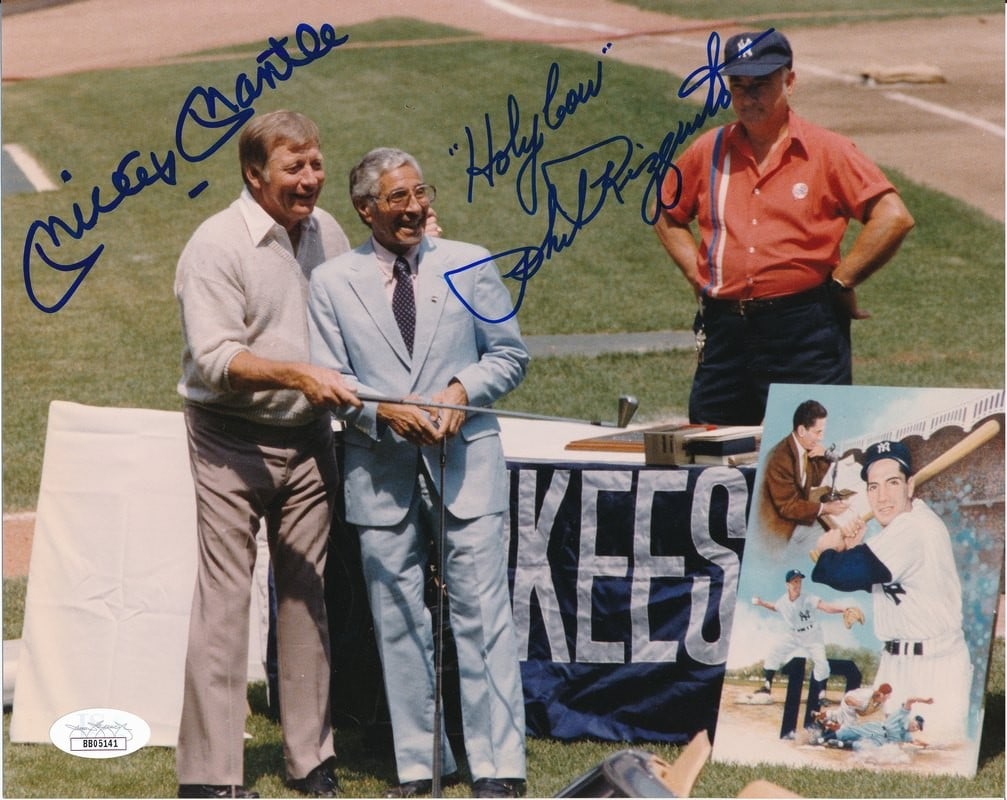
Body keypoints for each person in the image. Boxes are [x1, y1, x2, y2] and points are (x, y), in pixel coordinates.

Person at [307, 147, 529, 799]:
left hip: (468, 467)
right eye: (397, 199)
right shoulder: (332, 283)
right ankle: (421, 764)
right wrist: (383, 410)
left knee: (481, 612)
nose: (413, 209)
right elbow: (331, 378)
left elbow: (510, 354)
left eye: (419, 193)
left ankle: (497, 766)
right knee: (397, 616)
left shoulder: (468, 262)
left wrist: (462, 389)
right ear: (364, 209)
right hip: (378, 472)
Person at [173, 110, 362, 799]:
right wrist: (298, 373)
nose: (310, 179)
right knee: (224, 602)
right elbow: (217, 358)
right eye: (294, 167)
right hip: (229, 437)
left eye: (314, 164)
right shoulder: (215, 246)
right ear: (255, 176)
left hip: (308, 438)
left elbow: (354, 310)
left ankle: (310, 760)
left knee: (307, 597)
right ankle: (209, 778)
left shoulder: (328, 232)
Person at [654, 29, 915, 425]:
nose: (747, 97)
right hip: (726, 332)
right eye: (738, 86)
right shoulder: (710, 149)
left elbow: (894, 216)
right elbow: (666, 212)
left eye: (760, 85)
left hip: (804, 332)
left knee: (811, 460)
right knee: (713, 451)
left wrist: (842, 282)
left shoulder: (827, 150)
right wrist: (698, 273)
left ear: (789, 81)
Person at [811, 439, 973, 742]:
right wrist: (851, 549)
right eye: (873, 487)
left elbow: (839, 574)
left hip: (933, 668)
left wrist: (827, 550)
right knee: (876, 757)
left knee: (928, 767)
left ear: (910, 486)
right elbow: (870, 576)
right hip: (896, 664)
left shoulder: (913, 528)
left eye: (892, 483)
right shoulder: (904, 527)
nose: (882, 496)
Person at [751, 569, 853, 708]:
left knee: (821, 662)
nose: (797, 584)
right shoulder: (783, 601)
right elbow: (774, 607)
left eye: (799, 581)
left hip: (812, 634)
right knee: (774, 653)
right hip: (793, 634)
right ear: (788, 584)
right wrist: (762, 603)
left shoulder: (808, 598)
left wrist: (843, 609)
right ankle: (767, 686)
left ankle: (821, 695)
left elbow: (826, 607)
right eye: (794, 581)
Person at [758, 399, 849, 543]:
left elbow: (814, 480)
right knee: (837, 536)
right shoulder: (780, 458)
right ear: (801, 430)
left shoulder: (801, 448)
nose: (821, 438)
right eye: (817, 432)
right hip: (781, 528)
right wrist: (825, 508)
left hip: (795, 518)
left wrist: (824, 456)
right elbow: (787, 506)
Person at [829, 696, 931, 750]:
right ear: (913, 719)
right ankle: (823, 737)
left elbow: (915, 742)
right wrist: (925, 701)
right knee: (849, 732)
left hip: (880, 740)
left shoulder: (906, 735)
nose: (915, 727)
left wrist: (928, 745)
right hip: (876, 728)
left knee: (866, 747)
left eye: (918, 728)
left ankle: (841, 744)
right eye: (916, 724)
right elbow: (910, 699)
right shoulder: (903, 714)